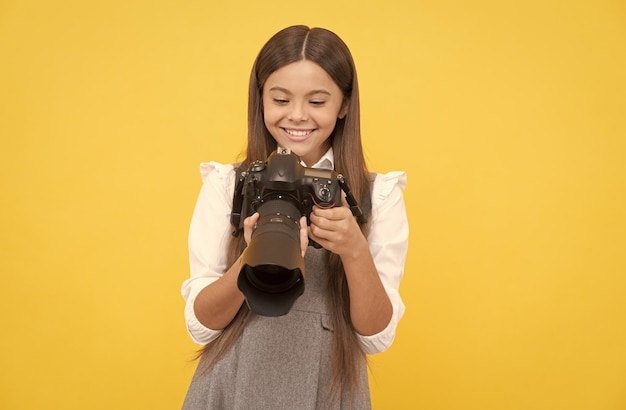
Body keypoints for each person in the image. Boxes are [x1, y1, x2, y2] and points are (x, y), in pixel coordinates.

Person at [181, 25, 409, 409]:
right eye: (281, 99)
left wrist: (354, 249)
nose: (297, 116)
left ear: (345, 104)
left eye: (317, 102)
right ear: (261, 101)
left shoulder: (377, 195)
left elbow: (375, 336)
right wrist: (252, 253)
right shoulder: (227, 184)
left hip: (329, 385)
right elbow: (202, 326)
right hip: (233, 383)